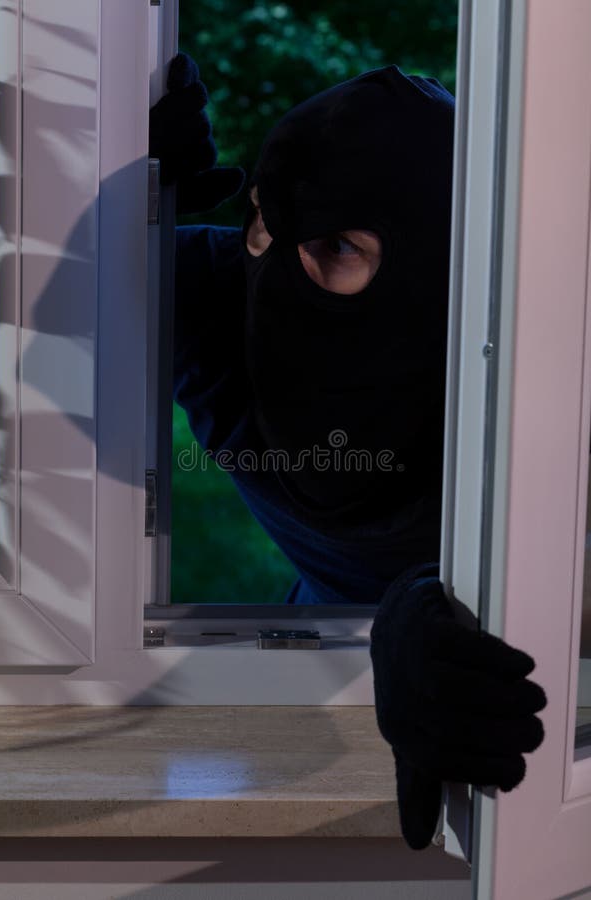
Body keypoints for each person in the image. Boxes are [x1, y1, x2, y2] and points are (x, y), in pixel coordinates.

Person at [149, 51, 547, 850]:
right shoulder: (222, 296)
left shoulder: (514, 379)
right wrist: (131, 200)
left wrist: (437, 608)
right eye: (268, 222)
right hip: (300, 636)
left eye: (337, 247)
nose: (284, 267)